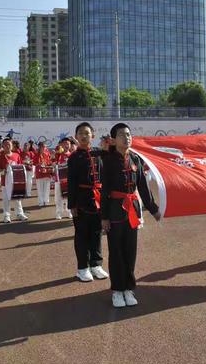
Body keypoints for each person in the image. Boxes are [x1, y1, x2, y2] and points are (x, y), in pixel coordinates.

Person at [101, 123, 161, 308]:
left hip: (133, 211)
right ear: (113, 139)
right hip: (114, 210)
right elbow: (104, 191)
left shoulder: (136, 158)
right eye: (121, 135)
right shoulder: (107, 160)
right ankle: (117, 291)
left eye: (128, 134)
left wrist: (153, 209)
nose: (126, 137)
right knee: (116, 251)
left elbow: (143, 186)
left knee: (130, 250)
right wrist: (104, 217)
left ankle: (129, 288)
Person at [68, 122, 108, 282]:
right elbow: (71, 182)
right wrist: (72, 205)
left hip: (99, 198)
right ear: (76, 137)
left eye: (87, 133)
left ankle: (96, 265)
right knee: (82, 235)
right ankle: (82, 268)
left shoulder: (100, 154)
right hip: (81, 199)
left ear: (93, 135)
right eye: (81, 133)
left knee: (97, 233)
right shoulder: (73, 158)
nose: (84, 136)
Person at [0, 138, 28, 223]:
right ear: (2, 146)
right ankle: (6, 215)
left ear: (12, 145)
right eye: (5, 144)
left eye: (9, 144)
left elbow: (20, 165)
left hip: (16, 181)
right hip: (5, 182)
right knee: (6, 199)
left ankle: (19, 214)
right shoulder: (0, 157)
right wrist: (4, 171)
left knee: (17, 198)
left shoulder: (16, 155)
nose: (7, 145)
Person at [54, 137, 72, 220]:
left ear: (70, 145)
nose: (66, 145)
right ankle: (59, 212)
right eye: (65, 144)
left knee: (69, 196)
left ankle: (69, 211)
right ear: (62, 145)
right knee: (59, 196)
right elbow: (53, 162)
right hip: (59, 179)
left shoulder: (72, 155)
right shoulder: (58, 154)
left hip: (69, 179)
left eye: (68, 144)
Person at [34, 141, 53, 207]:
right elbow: (34, 163)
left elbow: (49, 162)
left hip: (46, 173)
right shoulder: (36, 154)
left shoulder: (47, 154)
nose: (44, 148)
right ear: (39, 147)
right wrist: (39, 164)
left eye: (45, 147)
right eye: (42, 147)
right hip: (39, 173)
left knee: (47, 188)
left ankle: (46, 201)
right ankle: (41, 201)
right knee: (40, 188)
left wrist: (50, 165)